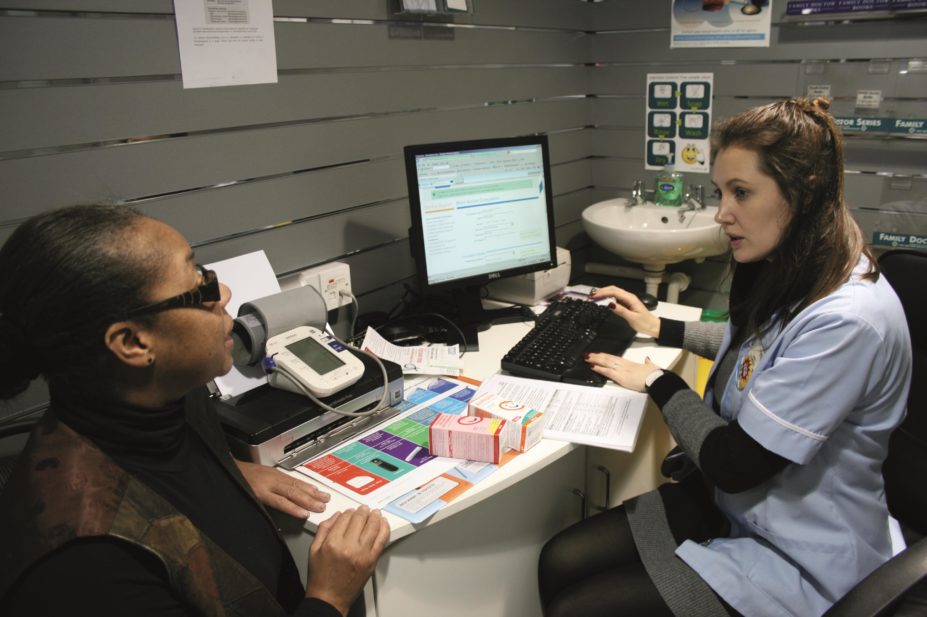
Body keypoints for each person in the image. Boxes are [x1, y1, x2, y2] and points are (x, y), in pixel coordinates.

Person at [538, 97, 912, 617]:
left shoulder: (846, 319)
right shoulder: (800, 263)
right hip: (742, 510)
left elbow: (734, 463)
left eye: (741, 192)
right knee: (560, 559)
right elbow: (761, 350)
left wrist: (658, 383)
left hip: (801, 552)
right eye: (720, 191)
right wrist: (660, 326)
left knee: (581, 607)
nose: (722, 212)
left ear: (804, 194)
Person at [0, 205, 390, 616]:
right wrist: (329, 597)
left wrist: (225, 469)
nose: (222, 295)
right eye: (199, 287)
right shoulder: (87, 569)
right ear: (133, 343)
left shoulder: (163, 396)